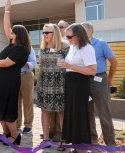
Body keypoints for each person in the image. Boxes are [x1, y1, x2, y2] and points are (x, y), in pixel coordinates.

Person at [0, 0, 30, 145]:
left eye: (13, 32)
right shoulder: (12, 43)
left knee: (7, 109)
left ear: (19, 34)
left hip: (9, 82)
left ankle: (15, 136)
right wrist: (7, 11)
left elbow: (6, 63)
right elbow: (6, 26)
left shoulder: (21, 49)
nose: (10, 32)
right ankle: (6, 133)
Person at [58, 23, 97, 153]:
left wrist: (70, 66)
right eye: (66, 37)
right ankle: (76, 146)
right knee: (73, 115)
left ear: (79, 35)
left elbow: (92, 70)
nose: (67, 39)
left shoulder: (87, 48)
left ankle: (82, 150)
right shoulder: (73, 47)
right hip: (71, 85)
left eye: (69, 37)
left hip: (79, 85)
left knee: (79, 115)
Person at [81, 22, 117, 147]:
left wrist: (110, 79)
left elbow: (114, 62)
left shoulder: (101, 43)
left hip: (99, 80)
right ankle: (93, 140)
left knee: (104, 113)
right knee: (88, 113)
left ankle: (111, 144)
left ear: (90, 31)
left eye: (83, 30)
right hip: (84, 81)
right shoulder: (80, 46)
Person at [36, 24, 69, 148]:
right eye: (43, 33)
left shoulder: (65, 47)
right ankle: (46, 139)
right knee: (44, 110)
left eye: (47, 33)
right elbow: (42, 66)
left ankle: (64, 140)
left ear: (54, 33)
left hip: (60, 82)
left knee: (61, 111)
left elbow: (69, 65)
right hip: (45, 82)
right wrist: (38, 82)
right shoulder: (43, 48)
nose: (44, 35)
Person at [16, 47, 36, 134]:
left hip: (26, 75)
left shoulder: (29, 48)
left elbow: (34, 63)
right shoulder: (12, 48)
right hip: (14, 76)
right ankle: (16, 123)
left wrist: (23, 61)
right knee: (15, 102)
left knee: (27, 102)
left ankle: (28, 125)